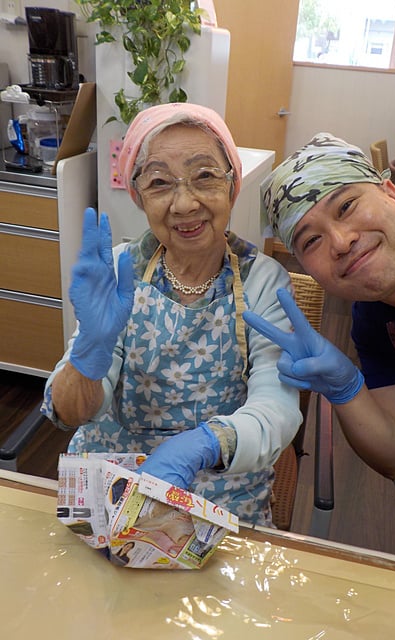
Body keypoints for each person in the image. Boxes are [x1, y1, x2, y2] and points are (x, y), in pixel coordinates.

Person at [41, 102, 301, 527]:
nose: (184, 204)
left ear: (233, 187)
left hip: (219, 492)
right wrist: (89, 351)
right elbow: (71, 413)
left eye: (205, 176)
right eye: (161, 183)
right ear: (140, 197)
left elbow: (277, 407)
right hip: (112, 485)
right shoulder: (120, 271)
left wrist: (205, 443)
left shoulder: (262, 282)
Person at [243, 132, 395, 569]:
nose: (340, 240)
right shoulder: (376, 320)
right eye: (310, 241)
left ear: (391, 192)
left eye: (347, 207)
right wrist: (346, 389)